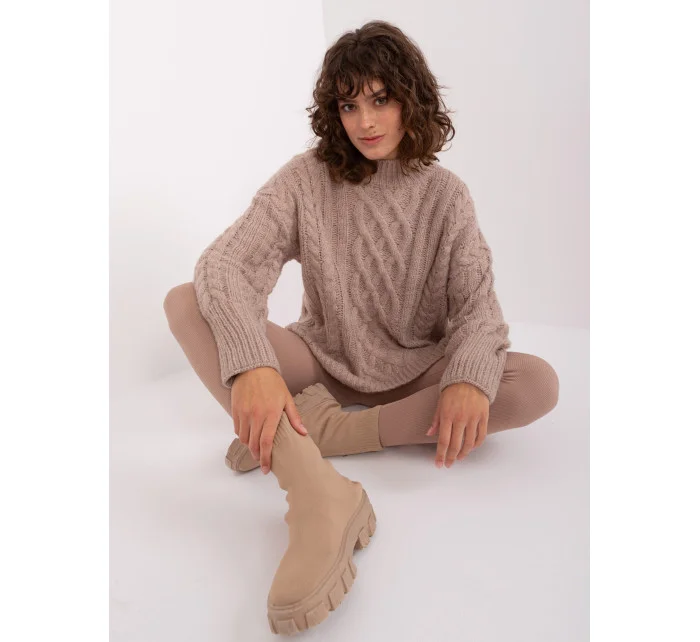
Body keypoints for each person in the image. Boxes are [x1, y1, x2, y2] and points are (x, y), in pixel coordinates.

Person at [164, 20, 560, 633]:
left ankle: (324, 432)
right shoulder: (306, 178)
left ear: (411, 100)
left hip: (415, 371)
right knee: (187, 302)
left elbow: (479, 310)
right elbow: (226, 266)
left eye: (381, 99)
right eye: (349, 105)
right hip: (320, 361)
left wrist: (466, 379)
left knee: (534, 383)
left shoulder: (447, 196)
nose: (365, 122)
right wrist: (253, 367)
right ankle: (315, 489)